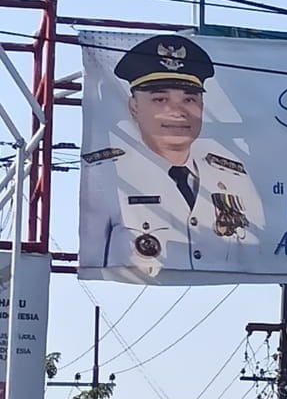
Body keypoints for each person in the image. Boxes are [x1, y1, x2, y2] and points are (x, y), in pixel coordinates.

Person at [79, 33, 263, 278]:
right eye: (160, 99)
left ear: (202, 106)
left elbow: (255, 259)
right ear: (133, 106)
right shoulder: (107, 177)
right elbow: (93, 263)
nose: (177, 112)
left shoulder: (234, 177)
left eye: (189, 99)